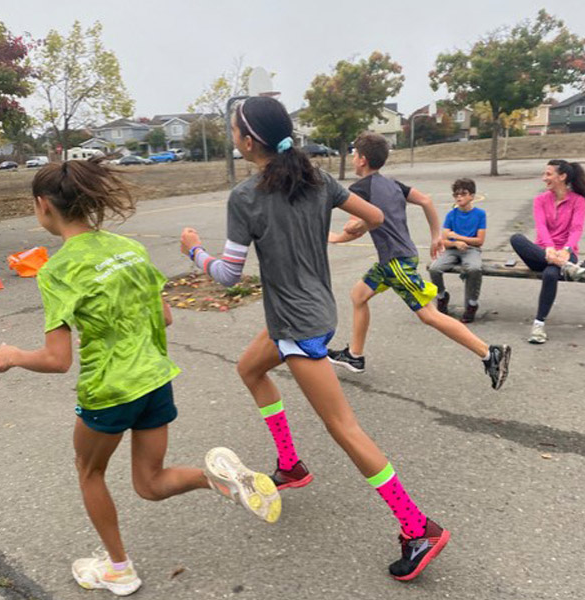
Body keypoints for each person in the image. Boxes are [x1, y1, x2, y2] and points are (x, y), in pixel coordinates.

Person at [180, 96, 450, 582]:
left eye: (233, 131)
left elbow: (227, 275)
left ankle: (418, 527)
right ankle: (291, 466)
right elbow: (376, 217)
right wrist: (349, 230)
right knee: (249, 369)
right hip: (306, 316)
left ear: (246, 140)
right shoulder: (317, 179)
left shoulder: (246, 196)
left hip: (298, 327)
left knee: (344, 428)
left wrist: (193, 250)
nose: (232, 139)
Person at [0, 159, 281, 597]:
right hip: (155, 381)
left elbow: (57, 360)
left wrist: (12, 355)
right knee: (150, 483)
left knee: (89, 472)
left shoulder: (58, 270)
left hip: (109, 391)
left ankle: (119, 569)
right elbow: (164, 316)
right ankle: (217, 479)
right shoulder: (129, 249)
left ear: (43, 205)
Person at [327, 132, 511, 390]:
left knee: (429, 315)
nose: (353, 158)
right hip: (398, 258)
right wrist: (436, 235)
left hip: (395, 262)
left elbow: (356, 226)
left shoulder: (360, 190)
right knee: (358, 295)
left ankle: (489, 353)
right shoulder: (392, 184)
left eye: (355, 154)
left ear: (362, 160)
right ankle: (355, 356)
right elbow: (425, 200)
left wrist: (336, 236)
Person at [510, 159, 585, 344]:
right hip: (541, 252)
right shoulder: (540, 200)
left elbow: (576, 229)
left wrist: (566, 250)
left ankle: (538, 325)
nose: (544, 178)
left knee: (550, 274)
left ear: (562, 176)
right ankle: (567, 267)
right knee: (516, 238)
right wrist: (550, 249)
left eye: (548, 174)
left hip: (567, 253)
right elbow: (541, 227)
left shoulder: (579, 201)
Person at [428, 178, 486, 323]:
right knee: (434, 268)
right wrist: (455, 243)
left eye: (463, 194)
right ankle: (442, 296)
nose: (459, 197)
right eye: (456, 195)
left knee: (474, 268)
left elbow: (479, 241)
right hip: (452, 249)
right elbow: (444, 240)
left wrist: (458, 238)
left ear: (471, 196)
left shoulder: (480, 214)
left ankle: (472, 304)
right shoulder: (451, 215)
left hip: (471, 249)